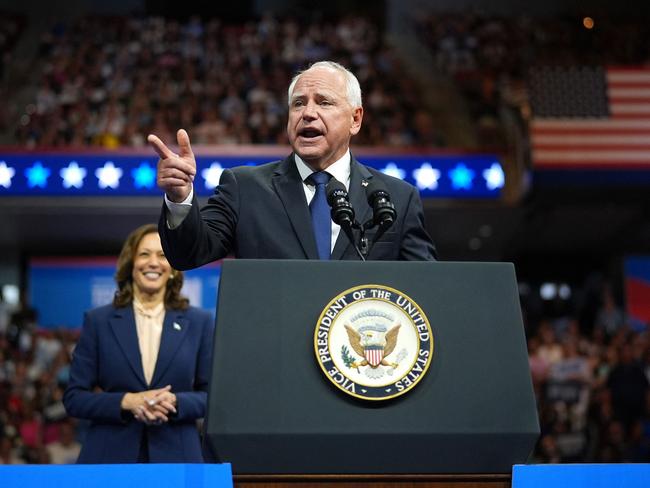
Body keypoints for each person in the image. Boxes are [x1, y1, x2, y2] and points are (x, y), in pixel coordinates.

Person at [148, 60, 435, 268]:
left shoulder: (397, 198)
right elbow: (188, 254)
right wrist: (180, 197)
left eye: (323, 102)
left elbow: (429, 289)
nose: (308, 113)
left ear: (355, 119)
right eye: (298, 104)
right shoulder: (245, 187)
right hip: (275, 347)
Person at [63, 224, 214, 463]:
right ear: (130, 264)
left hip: (178, 458)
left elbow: (212, 397)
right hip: (109, 457)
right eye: (144, 254)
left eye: (163, 255)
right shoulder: (98, 320)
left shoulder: (200, 321)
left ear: (174, 268)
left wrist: (176, 401)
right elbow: (74, 398)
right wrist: (127, 401)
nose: (153, 263)